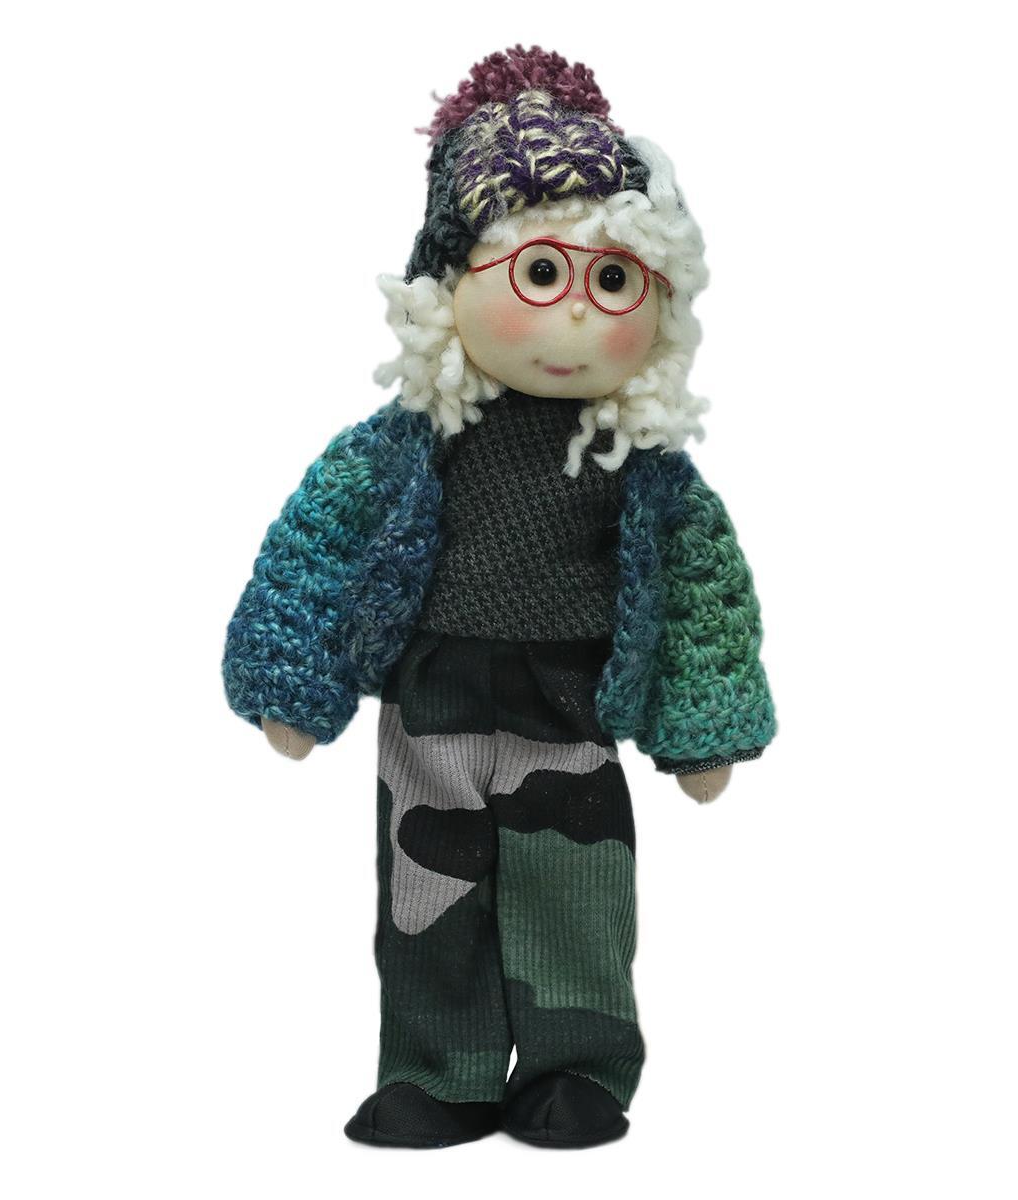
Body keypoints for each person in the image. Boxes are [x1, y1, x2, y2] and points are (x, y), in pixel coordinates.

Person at [223, 46, 776, 1149]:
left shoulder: (643, 468)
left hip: (570, 704)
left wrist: (702, 727)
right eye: (541, 274)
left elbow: (701, 593)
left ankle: (579, 1068)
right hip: (430, 693)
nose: (576, 318)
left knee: (578, 891)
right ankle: (438, 1070)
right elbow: (319, 549)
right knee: (424, 888)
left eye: (612, 283)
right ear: (450, 285)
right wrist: (294, 683)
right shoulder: (403, 446)